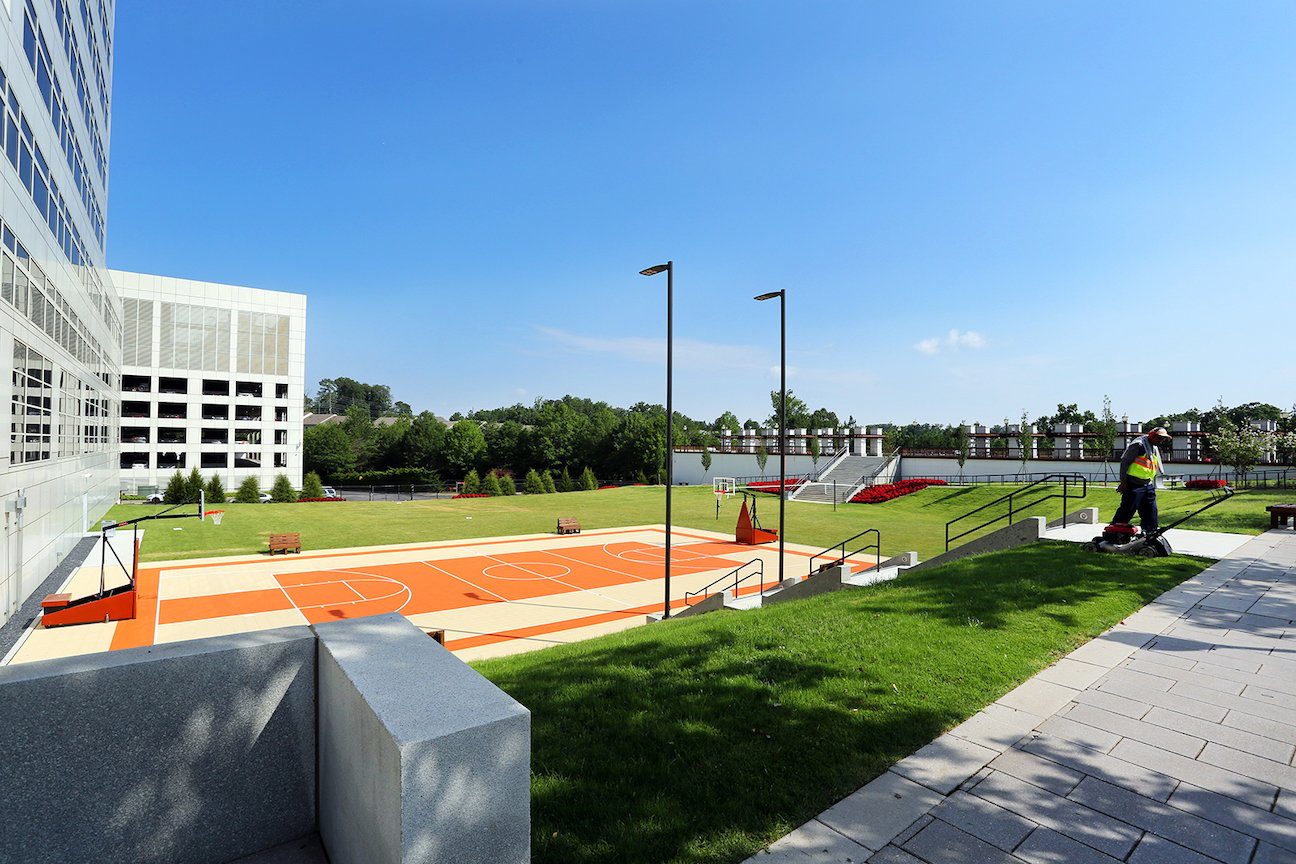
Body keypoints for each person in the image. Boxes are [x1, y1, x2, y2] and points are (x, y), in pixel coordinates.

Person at [1114, 426, 1172, 533]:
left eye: (1163, 439)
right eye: (1159, 438)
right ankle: (1113, 533)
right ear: (1152, 435)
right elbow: (1124, 462)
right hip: (1133, 484)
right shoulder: (1138, 445)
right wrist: (1123, 483)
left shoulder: (1153, 447)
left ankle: (1151, 533)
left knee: (1151, 512)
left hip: (1147, 485)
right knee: (1127, 510)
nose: (1161, 441)